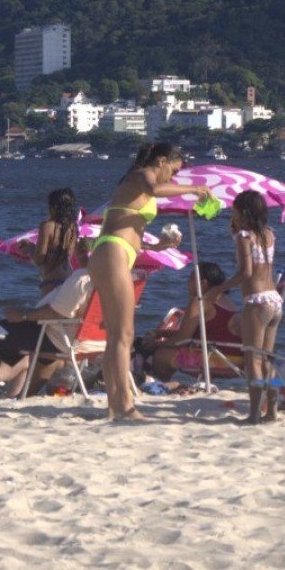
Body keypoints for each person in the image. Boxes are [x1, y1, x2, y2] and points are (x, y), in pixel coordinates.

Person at [86, 142, 211, 421]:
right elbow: (154, 189)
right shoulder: (142, 176)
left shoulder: (136, 185)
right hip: (113, 251)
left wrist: (159, 247)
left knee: (117, 336)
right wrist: (194, 189)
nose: (173, 178)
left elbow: (129, 227)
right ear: (163, 161)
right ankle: (125, 407)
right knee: (124, 335)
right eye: (174, 171)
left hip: (115, 251)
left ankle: (114, 405)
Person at [0, 268, 96, 395]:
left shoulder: (83, 278)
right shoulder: (113, 278)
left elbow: (55, 313)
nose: (79, 252)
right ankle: (27, 394)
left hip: (65, 342)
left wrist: (24, 315)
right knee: (38, 343)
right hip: (93, 343)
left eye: (83, 248)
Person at [230, 191, 283, 424]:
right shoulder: (269, 234)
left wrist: (217, 289)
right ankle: (272, 411)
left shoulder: (244, 236)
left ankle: (253, 413)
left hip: (256, 300)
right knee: (267, 358)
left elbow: (246, 273)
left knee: (253, 358)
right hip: (274, 299)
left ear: (242, 212)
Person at [138, 262, 240, 382]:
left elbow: (183, 338)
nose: (187, 282)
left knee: (162, 354)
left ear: (203, 283)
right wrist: (160, 334)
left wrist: (156, 345)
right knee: (169, 347)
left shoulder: (201, 301)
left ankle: (160, 385)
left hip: (217, 359)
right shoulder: (227, 301)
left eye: (191, 278)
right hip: (235, 359)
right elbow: (196, 333)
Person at [33, 187, 78, 291]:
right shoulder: (73, 228)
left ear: (53, 207)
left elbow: (39, 259)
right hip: (68, 279)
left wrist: (30, 249)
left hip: (51, 281)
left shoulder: (47, 226)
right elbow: (68, 256)